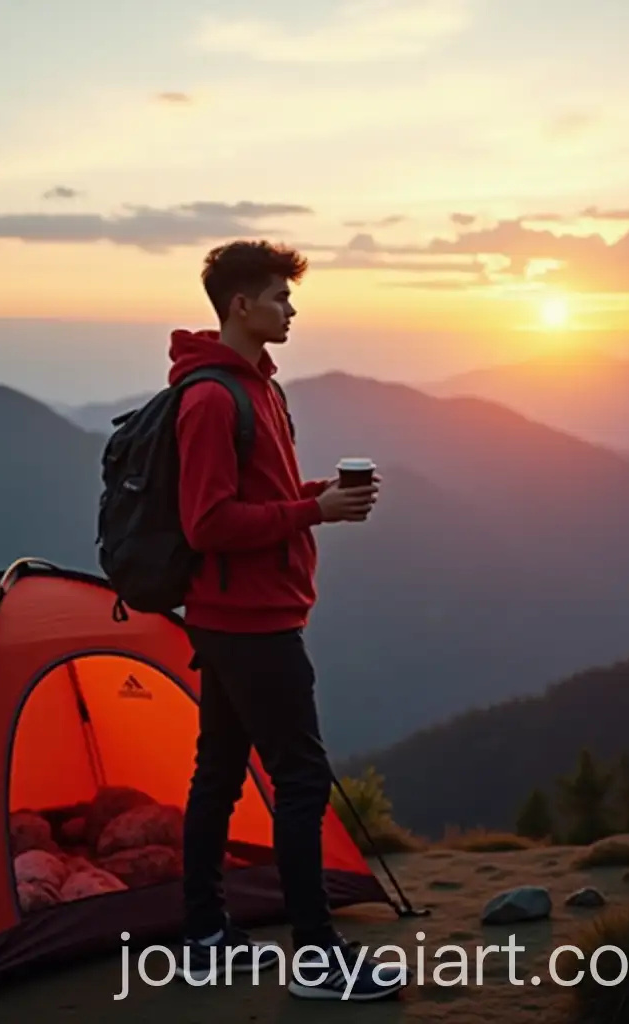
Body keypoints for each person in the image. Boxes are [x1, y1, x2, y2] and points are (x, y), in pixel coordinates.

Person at [170, 240, 406, 1000]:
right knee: (300, 780)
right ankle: (318, 960)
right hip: (249, 623)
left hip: (244, 615)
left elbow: (255, 494)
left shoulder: (260, 389)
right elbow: (207, 523)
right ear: (240, 305)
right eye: (279, 297)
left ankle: (203, 936)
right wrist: (312, 510)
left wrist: (319, 497)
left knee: (221, 773)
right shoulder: (212, 399)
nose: (291, 309)